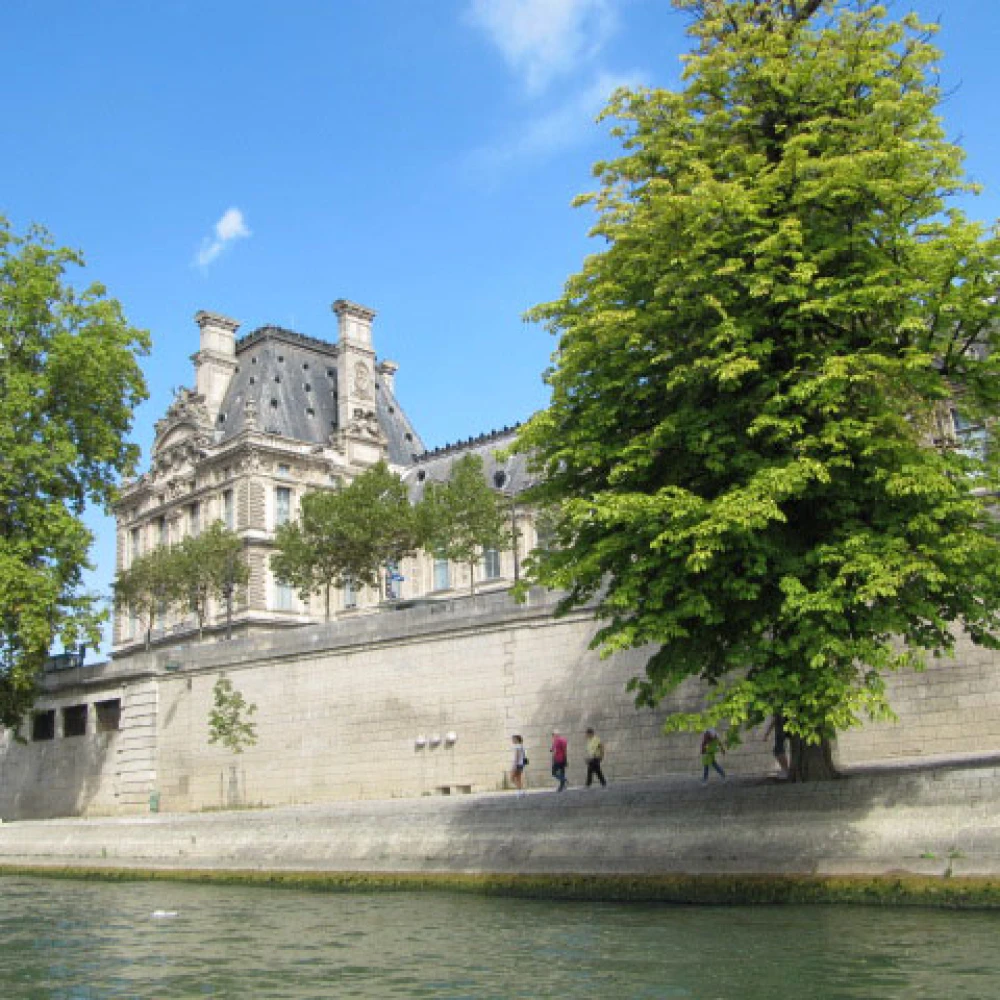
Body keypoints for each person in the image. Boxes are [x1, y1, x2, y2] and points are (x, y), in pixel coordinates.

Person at [763, 713, 790, 778]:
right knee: (778, 750)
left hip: (781, 731)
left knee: (778, 750)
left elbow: (774, 720)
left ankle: (785, 770)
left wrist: (767, 733)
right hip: (780, 730)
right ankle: (785, 769)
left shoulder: (779, 711)